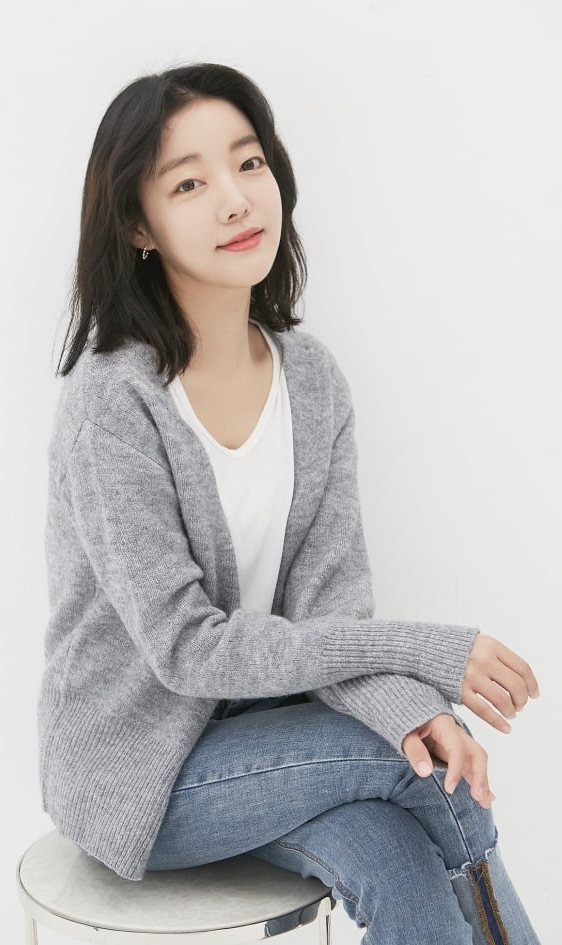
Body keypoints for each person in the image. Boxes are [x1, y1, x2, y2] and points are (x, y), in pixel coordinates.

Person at [39, 61, 542, 945]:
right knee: (433, 778)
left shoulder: (311, 381)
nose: (236, 199)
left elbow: (329, 619)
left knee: (399, 853)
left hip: (275, 748)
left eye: (249, 163)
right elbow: (187, 649)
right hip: (142, 780)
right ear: (138, 225)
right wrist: (430, 656)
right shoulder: (114, 402)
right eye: (188, 183)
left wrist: (405, 705)